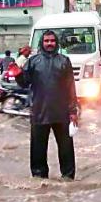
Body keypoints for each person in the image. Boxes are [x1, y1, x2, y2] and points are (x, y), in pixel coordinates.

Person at [11, 31, 78, 180]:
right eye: (46, 41)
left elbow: (71, 87)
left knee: (66, 147)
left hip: (61, 112)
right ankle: (39, 177)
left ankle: (68, 176)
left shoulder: (64, 61)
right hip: (39, 111)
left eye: (52, 41)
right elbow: (24, 83)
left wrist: (73, 110)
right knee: (38, 148)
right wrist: (17, 74)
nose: (49, 43)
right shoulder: (33, 61)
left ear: (56, 43)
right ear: (42, 42)